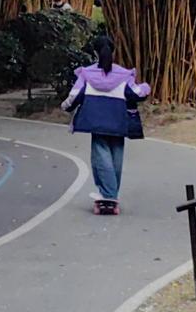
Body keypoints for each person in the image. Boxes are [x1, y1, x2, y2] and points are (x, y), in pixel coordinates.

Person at [63, 35, 151, 214]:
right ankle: (111, 193)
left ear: (95, 53)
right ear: (114, 51)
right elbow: (137, 94)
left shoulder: (87, 74)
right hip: (118, 121)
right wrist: (146, 87)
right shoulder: (123, 75)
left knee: (101, 157)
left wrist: (65, 107)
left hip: (96, 122)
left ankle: (108, 195)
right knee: (116, 157)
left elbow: (74, 96)